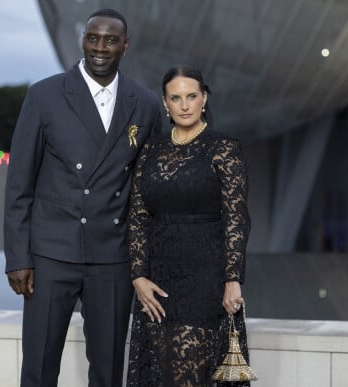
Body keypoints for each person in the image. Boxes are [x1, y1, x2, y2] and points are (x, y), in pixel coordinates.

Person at [3, 8, 162, 387]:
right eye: (93, 38)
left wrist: (144, 263)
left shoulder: (145, 103)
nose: (100, 48)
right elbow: (18, 184)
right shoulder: (44, 95)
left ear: (125, 45)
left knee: (108, 371)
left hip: (112, 255)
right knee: (39, 368)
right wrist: (18, 257)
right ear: (83, 41)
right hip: (51, 255)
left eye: (110, 40)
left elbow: (149, 191)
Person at [126, 65, 251, 386]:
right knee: (160, 372)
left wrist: (233, 279)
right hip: (158, 281)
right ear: (165, 104)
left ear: (204, 98)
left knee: (193, 374)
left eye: (191, 96)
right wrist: (138, 276)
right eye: (175, 98)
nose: (184, 105)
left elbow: (236, 217)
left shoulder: (223, 148)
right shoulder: (150, 150)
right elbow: (138, 215)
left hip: (205, 279)